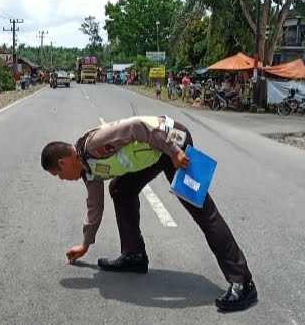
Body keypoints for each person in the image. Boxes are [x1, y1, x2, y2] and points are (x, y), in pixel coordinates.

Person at [40, 115, 257, 312]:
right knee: (120, 190)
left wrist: (174, 151)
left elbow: (139, 127)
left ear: (63, 162)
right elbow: (94, 206)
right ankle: (134, 256)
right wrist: (86, 243)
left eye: (57, 174)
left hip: (172, 141)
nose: (62, 179)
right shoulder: (88, 170)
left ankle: (243, 282)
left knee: (203, 212)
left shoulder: (94, 145)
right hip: (156, 153)